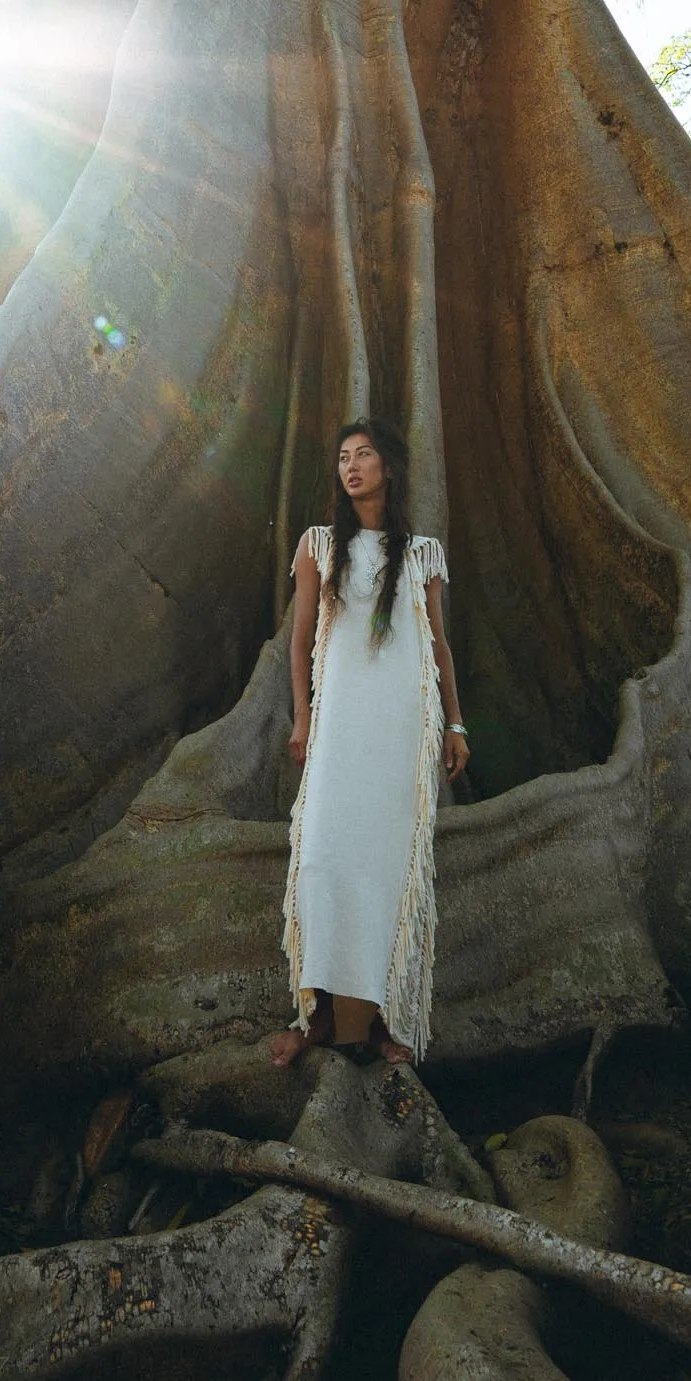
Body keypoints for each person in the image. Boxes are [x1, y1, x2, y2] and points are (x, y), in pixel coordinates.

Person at [269, 416, 469, 1068]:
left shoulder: (421, 555)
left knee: (385, 869)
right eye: (343, 457)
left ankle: (375, 1026)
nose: (351, 466)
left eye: (364, 455)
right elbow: (300, 642)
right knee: (323, 857)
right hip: (338, 725)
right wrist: (302, 717)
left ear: (389, 467)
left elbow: (438, 646)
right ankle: (314, 1015)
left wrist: (456, 723)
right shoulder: (319, 546)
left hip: (400, 732)